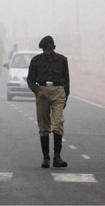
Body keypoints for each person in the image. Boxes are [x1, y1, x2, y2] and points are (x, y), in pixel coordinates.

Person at [27, 36, 69, 168]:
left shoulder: (62, 60)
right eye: (45, 49)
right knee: (43, 125)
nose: (48, 51)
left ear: (54, 48)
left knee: (58, 122)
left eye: (50, 49)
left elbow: (67, 81)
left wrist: (65, 97)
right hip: (42, 91)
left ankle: (57, 157)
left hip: (58, 91)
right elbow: (30, 80)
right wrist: (38, 91)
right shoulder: (36, 61)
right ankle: (46, 158)